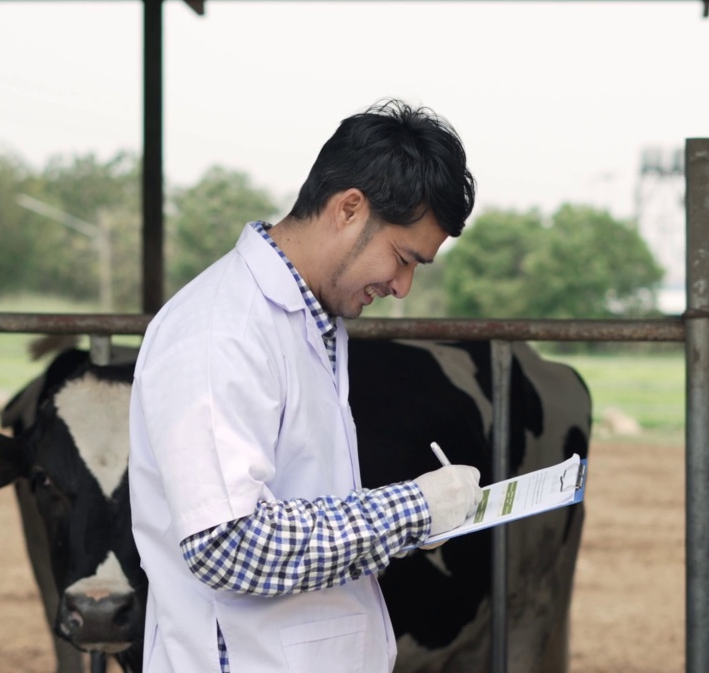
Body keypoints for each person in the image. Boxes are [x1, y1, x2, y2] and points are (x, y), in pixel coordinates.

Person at [128, 100, 482, 673]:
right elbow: (229, 545)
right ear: (348, 209)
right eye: (402, 257)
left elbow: (302, 499)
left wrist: (411, 524)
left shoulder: (312, 321)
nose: (403, 287)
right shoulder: (221, 328)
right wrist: (412, 510)